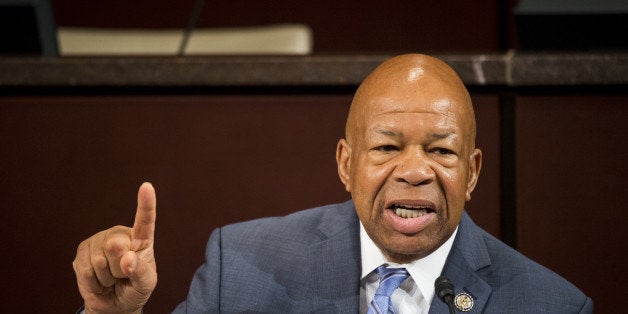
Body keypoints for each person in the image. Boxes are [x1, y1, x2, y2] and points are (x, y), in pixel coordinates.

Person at [73, 54, 593, 313]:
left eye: (440, 150)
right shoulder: (242, 266)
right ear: (346, 164)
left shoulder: (551, 305)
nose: (414, 171)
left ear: (473, 171)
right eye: (387, 147)